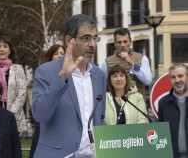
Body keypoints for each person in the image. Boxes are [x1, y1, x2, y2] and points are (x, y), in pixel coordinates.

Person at [32, 14, 106, 158]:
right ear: (69, 40)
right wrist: (62, 77)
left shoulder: (99, 75)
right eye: (86, 38)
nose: (92, 44)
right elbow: (40, 115)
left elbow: (100, 119)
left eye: (95, 38)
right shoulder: (46, 72)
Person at [29, 44, 66, 158]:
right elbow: (38, 100)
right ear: (50, 56)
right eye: (56, 53)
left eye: (62, 54)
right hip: (46, 118)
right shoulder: (43, 73)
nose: (59, 56)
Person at [100, 27, 152, 98]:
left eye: (125, 41)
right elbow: (101, 85)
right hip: (115, 105)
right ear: (115, 44)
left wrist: (131, 63)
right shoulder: (107, 62)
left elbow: (148, 80)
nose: (122, 45)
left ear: (130, 42)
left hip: (137, 104)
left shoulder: (142, 58)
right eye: (119, 42)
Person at [158, 63, 188, 158]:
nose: (177, 80)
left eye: (180, 76)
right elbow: (161, 131)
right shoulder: (163, 102)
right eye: (173, 77)